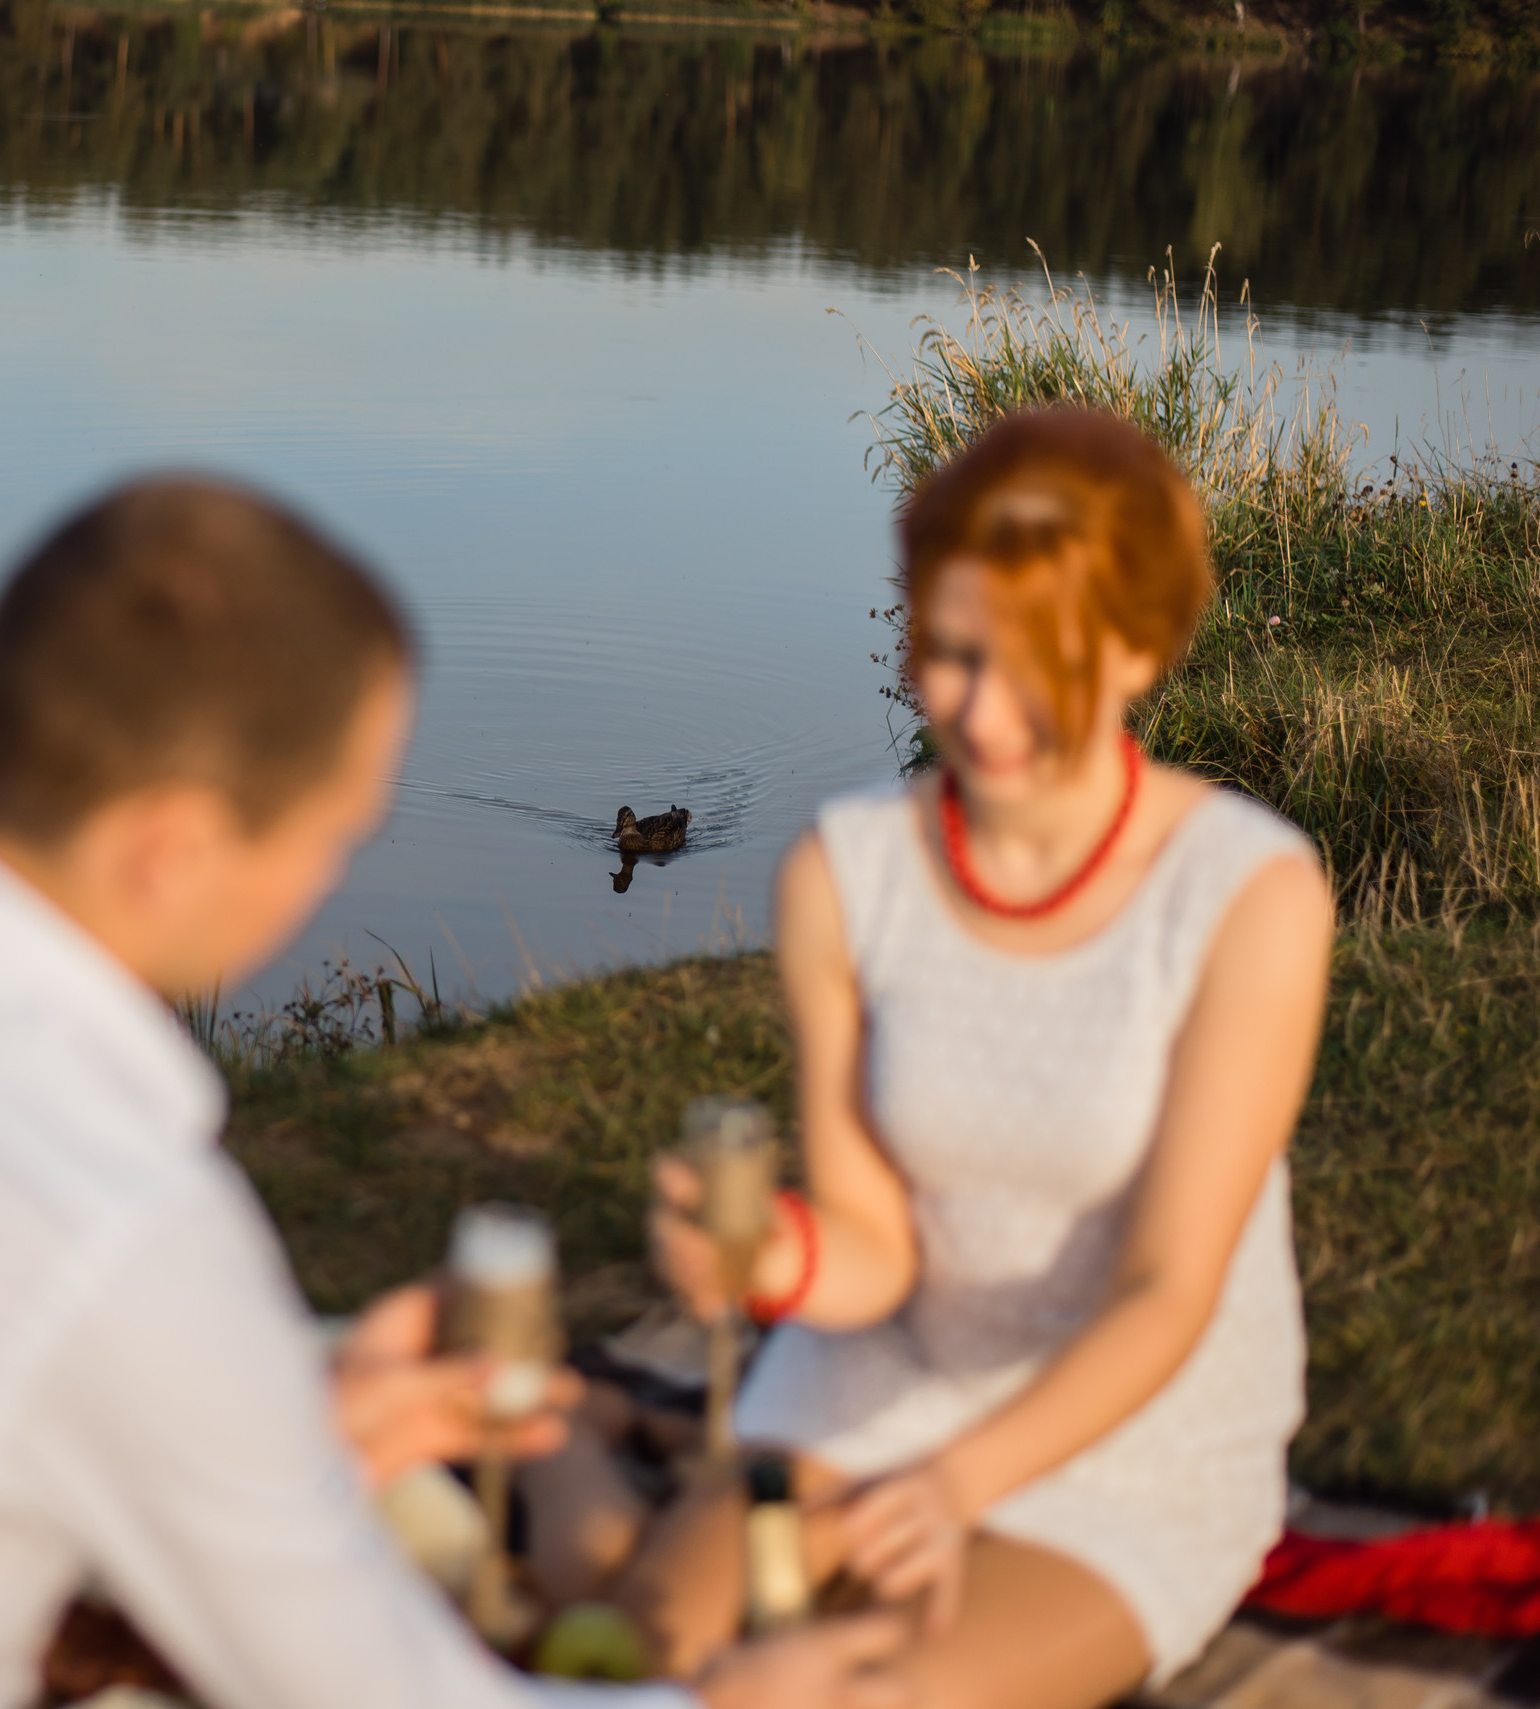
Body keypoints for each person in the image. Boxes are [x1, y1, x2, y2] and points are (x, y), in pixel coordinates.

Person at [0, 477, 908, 1709]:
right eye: (329, 833)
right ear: (174, 849)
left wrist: (275, 1426)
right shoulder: (111, 1222)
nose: (328, 875)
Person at [541, 409, 1335, 1709]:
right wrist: (779, 1259)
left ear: (1139, 648)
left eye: (1040, 662)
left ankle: (594, 1442)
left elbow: (1168, 1291)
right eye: (952, 654)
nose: (983, 709)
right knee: (638, 1658)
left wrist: (955, 1484)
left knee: (832, 1691)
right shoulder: (846, 874)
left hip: (1131, 1441)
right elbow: (878, 1247)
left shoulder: (1247, 895)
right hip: (877, 1387)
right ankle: (575, 1438)